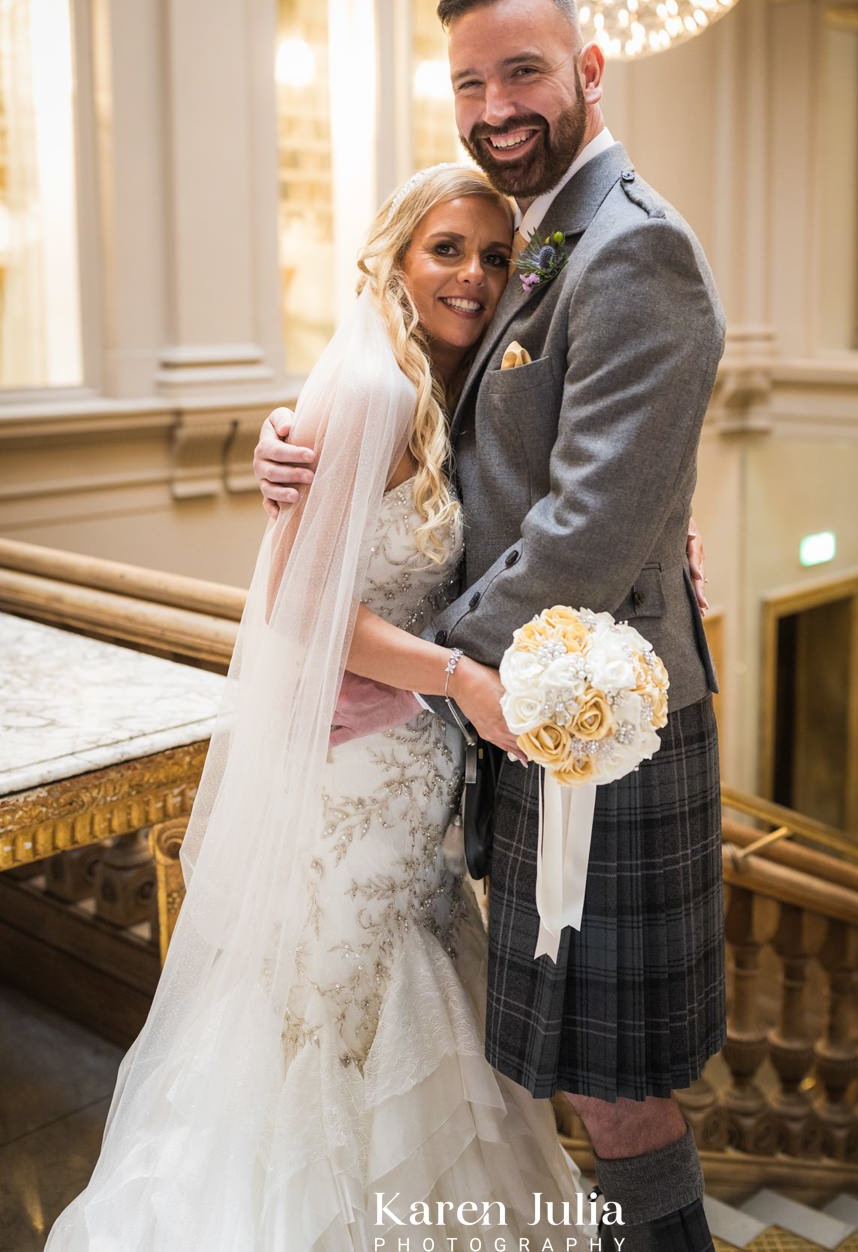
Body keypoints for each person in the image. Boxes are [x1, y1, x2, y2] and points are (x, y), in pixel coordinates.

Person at [254, 0, 726, 1252]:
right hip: (526, 704)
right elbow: (474, 444)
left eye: (522, 70)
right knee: (567, 1065)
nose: (495, 102)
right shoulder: (542, 233)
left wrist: (421, 669)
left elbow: (587, 527)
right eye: (469, 79)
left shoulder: (633, 242)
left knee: (614, 1085)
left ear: (589, 68)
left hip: (595, 723)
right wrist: (294, 449)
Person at [46, 164, 584, 1251]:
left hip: (406, 775)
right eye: (446, 249)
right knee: (340, 1023)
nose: (473, 274)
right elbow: (303, 598)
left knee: (385, 996)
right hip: (358, 780)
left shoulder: (452, 381)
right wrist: (456, 680)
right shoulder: (374, 389)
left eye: (491, 255)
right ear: (393, 257)